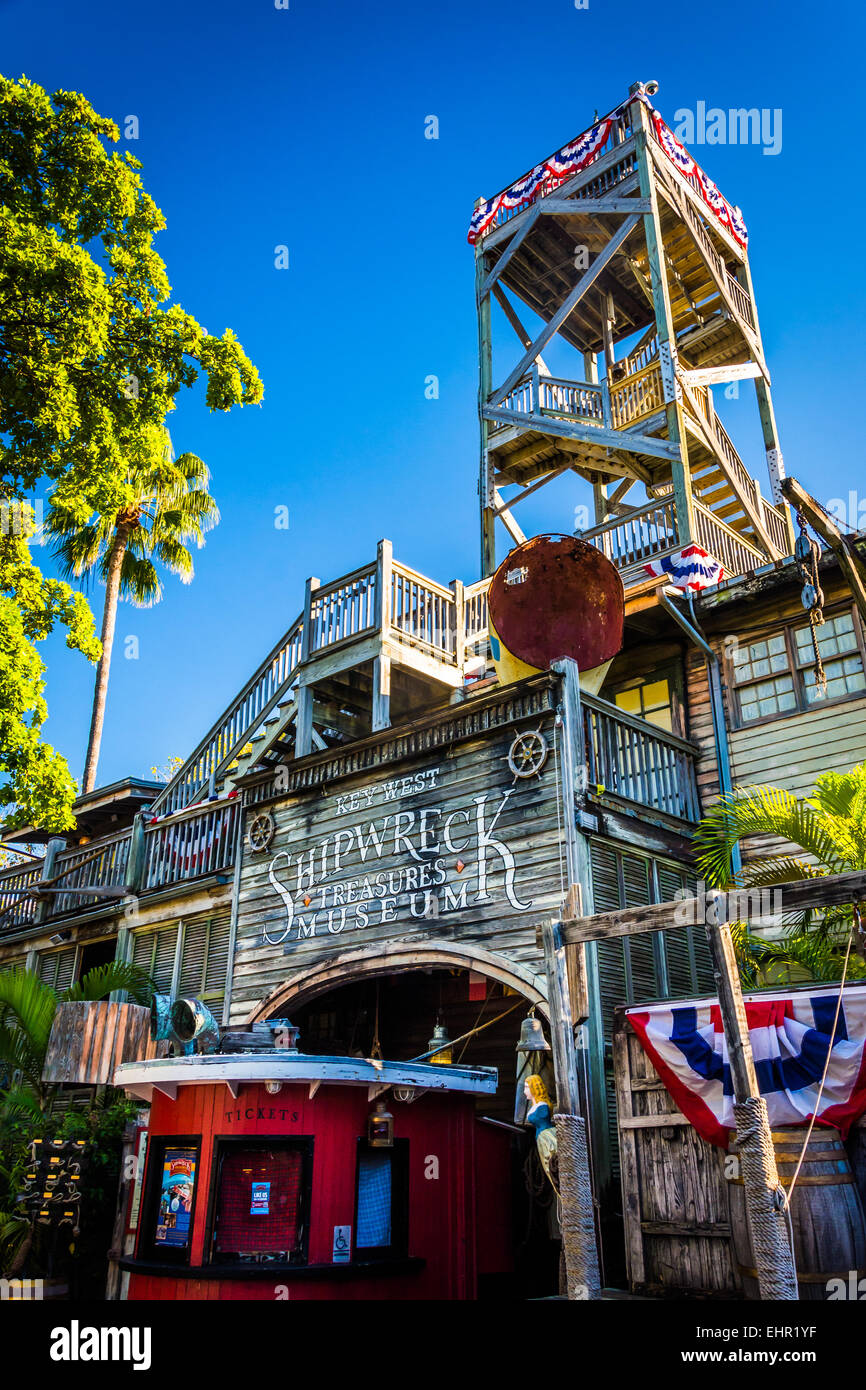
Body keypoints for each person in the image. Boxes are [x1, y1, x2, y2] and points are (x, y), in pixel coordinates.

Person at [524, 1074, 559, 1194]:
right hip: (540, 1139)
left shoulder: (542, 1107)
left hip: (547, 1136)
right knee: (548, 1167)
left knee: (553, 1163)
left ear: (534, 1088)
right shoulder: (535, 1106)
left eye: (527, 1087)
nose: (525, 1091)